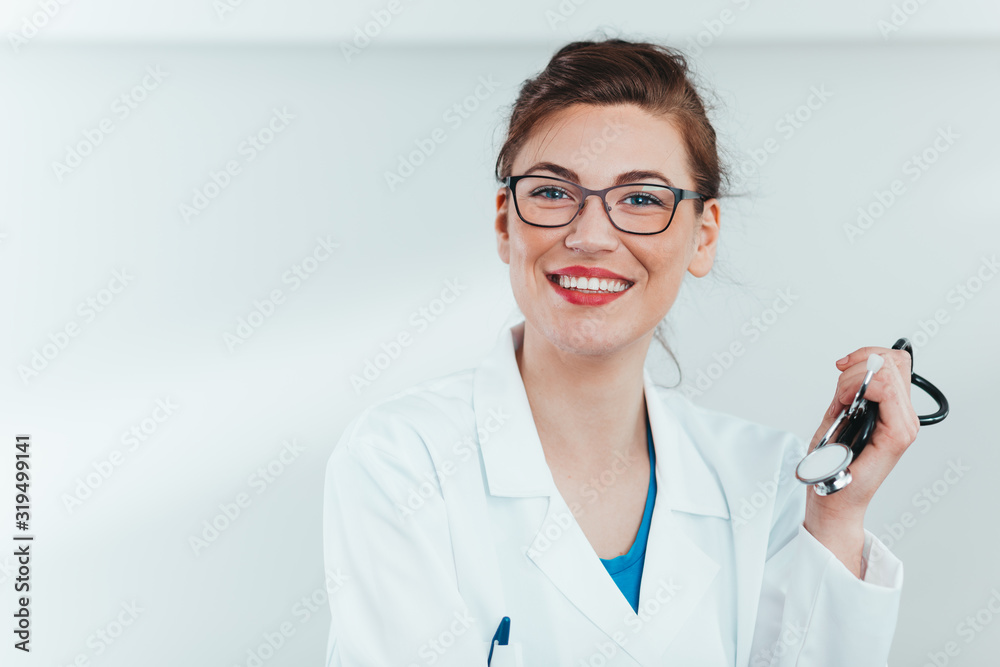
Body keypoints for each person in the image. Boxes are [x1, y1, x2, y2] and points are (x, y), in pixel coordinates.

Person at [323, 37, 917, 666]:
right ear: (505, 221)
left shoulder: (766, 479)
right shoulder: (402, 462)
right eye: (553, 193)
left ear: (703, 236)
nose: (591, 236)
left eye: (641, 200)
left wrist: (835, 518)